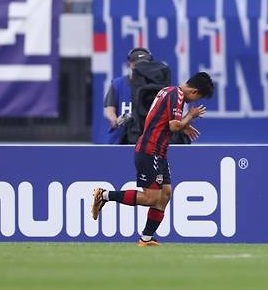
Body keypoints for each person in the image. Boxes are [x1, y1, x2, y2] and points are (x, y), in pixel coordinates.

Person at [91, 72, 215, 246]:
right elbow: (173, 126)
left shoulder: (168, 91)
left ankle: (146, 238)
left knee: (165, 194)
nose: (192, 103)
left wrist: (183, 126)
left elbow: (161, 120)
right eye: (196, 98)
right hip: (150, 150)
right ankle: (104, 195)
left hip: (159, 152)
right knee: (151, 198)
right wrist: (190, 116)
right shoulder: (177, 95)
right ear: (194, 91)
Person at [103, 48, 156, 144]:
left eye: (144, 64)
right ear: (130, 64)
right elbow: (110, 109)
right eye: (137, 64)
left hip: (147, 140)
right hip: (121, 138)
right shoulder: (118, 84)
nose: (140, 68)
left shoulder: (155, 85)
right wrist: (113, 119)